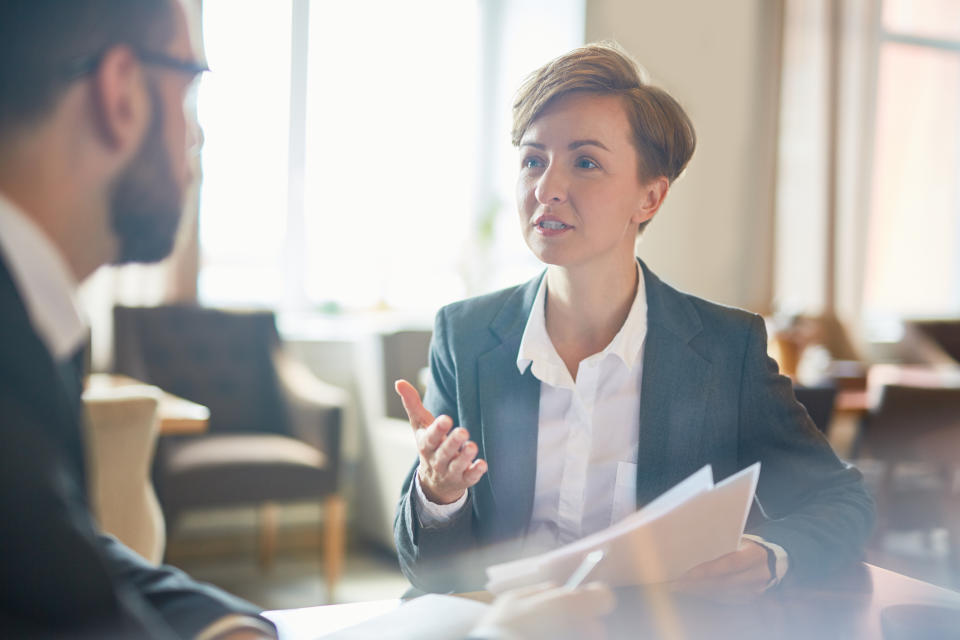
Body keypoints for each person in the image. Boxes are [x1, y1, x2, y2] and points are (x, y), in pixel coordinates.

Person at [0, 1, 612, 637]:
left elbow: (61, 564)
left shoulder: (37, 323)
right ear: (120, 93)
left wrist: (226, 628)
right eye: (190, 87)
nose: (197, 135)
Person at [394, 42, 875, 598]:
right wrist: (439, 495)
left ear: (649, 197)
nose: (546, 188)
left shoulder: (725, 349)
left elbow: (841, 501)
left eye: (586, 162)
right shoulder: (467, 335)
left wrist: (770, 555)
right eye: (533, 159)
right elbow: (431, 572)